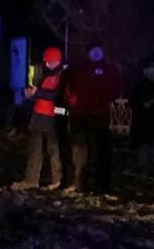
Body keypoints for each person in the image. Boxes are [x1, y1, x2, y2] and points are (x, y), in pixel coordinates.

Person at [65, 43, 117, 193]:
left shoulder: (109, 69)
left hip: (100, 115)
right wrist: (72, 100)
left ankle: (102, 183)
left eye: (99, 51)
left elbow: (116, 88)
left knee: (102, 151)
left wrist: (104, 100)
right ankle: (80, 181)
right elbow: (69, 87)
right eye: (93, 51)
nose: (96, 54)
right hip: (81, 116)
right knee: (81, 150)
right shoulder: (79, 69)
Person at [15, 46, 68, 190]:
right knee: (36, 150)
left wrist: (37, 92)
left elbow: (55, 95)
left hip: (51, 117)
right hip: (40, 116)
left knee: (52, 150)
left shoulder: (62, 75)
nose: (46, 64)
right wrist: (31, 94)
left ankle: (56, 180)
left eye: (49, 61)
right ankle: (32, 180)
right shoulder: (49, 74)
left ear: (57, 61)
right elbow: (44, 94)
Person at [131, 59, 154, 167]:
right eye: (152, 72)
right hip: (142, 120)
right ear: (146, 72)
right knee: (144, 144)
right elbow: (133, 100)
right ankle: (144, 165)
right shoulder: (139, 85)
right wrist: (143, 104)